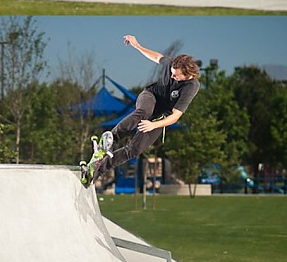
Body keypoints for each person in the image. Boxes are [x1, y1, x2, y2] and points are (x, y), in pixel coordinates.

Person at [83, 35, 200, 187]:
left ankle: (96, 170)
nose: (171, 76)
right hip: (150, 96)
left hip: (160, 118)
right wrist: (137, 45)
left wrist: (153, 125)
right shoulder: (173, 63)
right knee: (143, 112)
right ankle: (110, 139)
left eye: (175, 75)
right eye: (171, 72)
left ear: (186, 74)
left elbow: (175, 116)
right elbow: (157, 56)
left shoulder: (191, 87)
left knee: (134, 150)